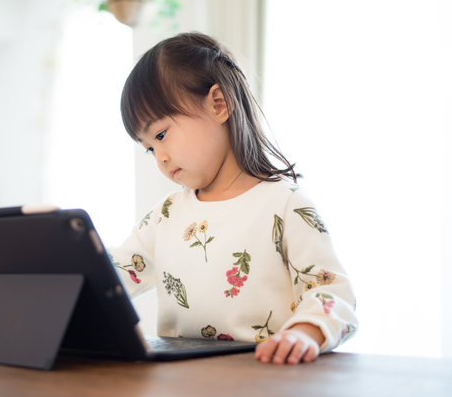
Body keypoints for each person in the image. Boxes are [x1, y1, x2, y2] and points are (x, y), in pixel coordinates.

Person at [107, 32, 357, 365]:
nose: (159, 158)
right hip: (182, 385)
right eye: (149, 148)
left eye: (162, 134)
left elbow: (331, 292)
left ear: (219, 104)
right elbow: (112, 275)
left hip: (263, 380)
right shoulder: (166, 215)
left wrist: (303, 333)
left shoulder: (285, 204)